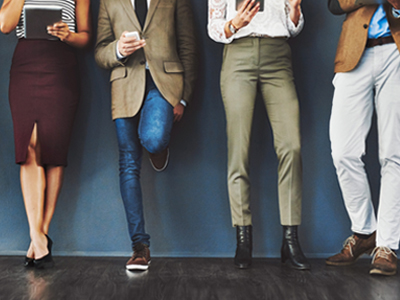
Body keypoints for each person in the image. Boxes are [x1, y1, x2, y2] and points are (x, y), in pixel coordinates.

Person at [95, 0, 197, 271]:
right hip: (125, 84)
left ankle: (158, 148)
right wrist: (117, 49)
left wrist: (184, 98)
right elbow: (99, 51)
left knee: (153, 138)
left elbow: (188, 46)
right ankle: (140, 247)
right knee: (128, 163)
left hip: (164, 84)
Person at [208, 0, 310, 270]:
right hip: (238, 55)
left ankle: (290, 240)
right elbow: (213, 28)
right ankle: (243, 238)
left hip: (278, 55)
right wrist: (234, 24)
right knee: (238, 149)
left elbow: (294, 27)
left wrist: (295, 10)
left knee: (291, 146)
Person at [0, 0, 91, 269]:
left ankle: (41, 235)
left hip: (60, 66)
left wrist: (69, 35)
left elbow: (85, 37)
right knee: (28, 146)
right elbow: (5, 24)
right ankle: (37, 237)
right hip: (25, 65)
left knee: (53, 152)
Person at [326, 0, 400, 276]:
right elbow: (334, 4)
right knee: (343, 151)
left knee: (394, 153)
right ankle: (366, 231)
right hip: (354, 51)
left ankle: (387, 246)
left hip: (396, 51)